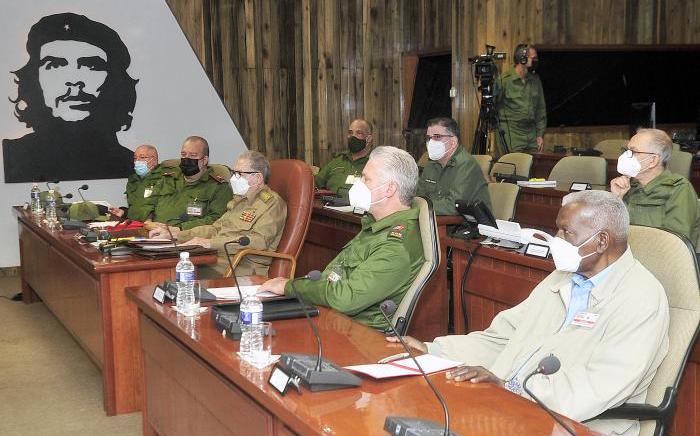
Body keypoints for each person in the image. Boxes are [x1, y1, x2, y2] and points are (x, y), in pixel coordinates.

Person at [390, 190, 669, 436]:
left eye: (566, 232)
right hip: (510, 408)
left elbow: (597, 387)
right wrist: (432, 350)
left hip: (577, 424)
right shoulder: (563, 278)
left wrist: (511, 389)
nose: (556, 240)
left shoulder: (641, 297)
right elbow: (501, 338)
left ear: (601, 241)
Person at [261, 146, 424, 329]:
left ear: (389, 189)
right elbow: (333, 277)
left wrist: (289, 287)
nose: (358, 184)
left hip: (357, 336)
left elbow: (345, 298)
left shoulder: (396, 246)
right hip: (333, 319)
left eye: (366, 179)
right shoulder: (375, 225)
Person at [3, 12, 138, 183]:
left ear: (114, 81)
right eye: (55, 65)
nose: (74, 80)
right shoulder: (17, 156)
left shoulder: (130, 164)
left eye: (91, 65)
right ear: (34, 79)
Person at [150, 151, 286, 277]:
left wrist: (210, 243)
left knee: (176, 268)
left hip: (242, 266)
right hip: (219, 257)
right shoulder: (239, 200)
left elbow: (259, 242)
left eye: (239, 174)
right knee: (166, 261)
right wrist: (176, 235)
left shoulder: (271, 204)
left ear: (257, 178)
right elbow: (215, 228)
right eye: (233, 173)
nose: (233, 178)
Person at [611, 128, 700, 245]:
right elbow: (611, 232)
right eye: (626, 151)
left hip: (661, 258)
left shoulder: (678, 188)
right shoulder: (627, 187)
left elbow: (676, 243)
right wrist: (617, 199)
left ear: (653, 160)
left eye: (633, 152)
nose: (626, 156)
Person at [150, 136, 233, 230]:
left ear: (205, 160)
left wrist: (180, 228)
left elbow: (217, 219)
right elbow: (148, 203)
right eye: (183, 154)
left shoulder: (218, 187)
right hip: (153, 234)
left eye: (193, 155)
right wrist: (147, 221)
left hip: (186, 238)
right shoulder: (167, 179)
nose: (186, 159)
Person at [416, 117, 491, 215]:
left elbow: (453, 206)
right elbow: (419, 197)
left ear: (453, 142)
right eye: (429, 138)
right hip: (434, 220)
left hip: (468, 225)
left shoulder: (466, 164)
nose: (431, 142)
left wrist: (420, 207)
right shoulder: (432, 163)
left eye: (437, 137)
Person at [495, 43, 546, 153]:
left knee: (533, 167)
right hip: (512, 133)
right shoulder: (504, 80)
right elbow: (493, 107)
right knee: (513, 167)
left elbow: (540, 110)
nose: (535, 60)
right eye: (533, 58)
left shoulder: (535, 80)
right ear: (521, 58)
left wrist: (540, 135)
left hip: (531, 134)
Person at [109, 144, 169, 221]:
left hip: (155, 226)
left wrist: (150, 219)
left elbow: (167, 209)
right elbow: (136, 207)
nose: (137, 161)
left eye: (142, 157)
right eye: (135, 158)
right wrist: (124, 212)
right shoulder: (133, 180)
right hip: (135, 226)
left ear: (154, 160)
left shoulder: (164, 178)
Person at [315, 118, 373, 195]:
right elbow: (315, 183)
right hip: (329, 205)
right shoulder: (337, 161)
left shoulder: (374, 164)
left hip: (358, 206)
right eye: (350, 133)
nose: (353, 136)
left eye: (359, 133)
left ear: (368, 139)